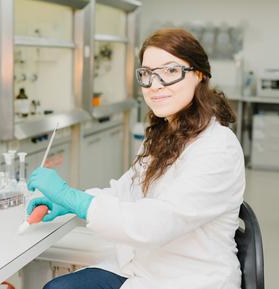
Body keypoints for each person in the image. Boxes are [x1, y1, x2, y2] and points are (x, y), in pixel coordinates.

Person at [26, 28, 245, 289]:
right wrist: (68, 201)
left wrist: (79, 201)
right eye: (147, 74)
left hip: (190, 278)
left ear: (199, 74)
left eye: (171, 71)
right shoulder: (165, 134)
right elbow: (124, 191)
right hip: (143, 266)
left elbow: (157, 224)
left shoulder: (218, 147)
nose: (155, 85)